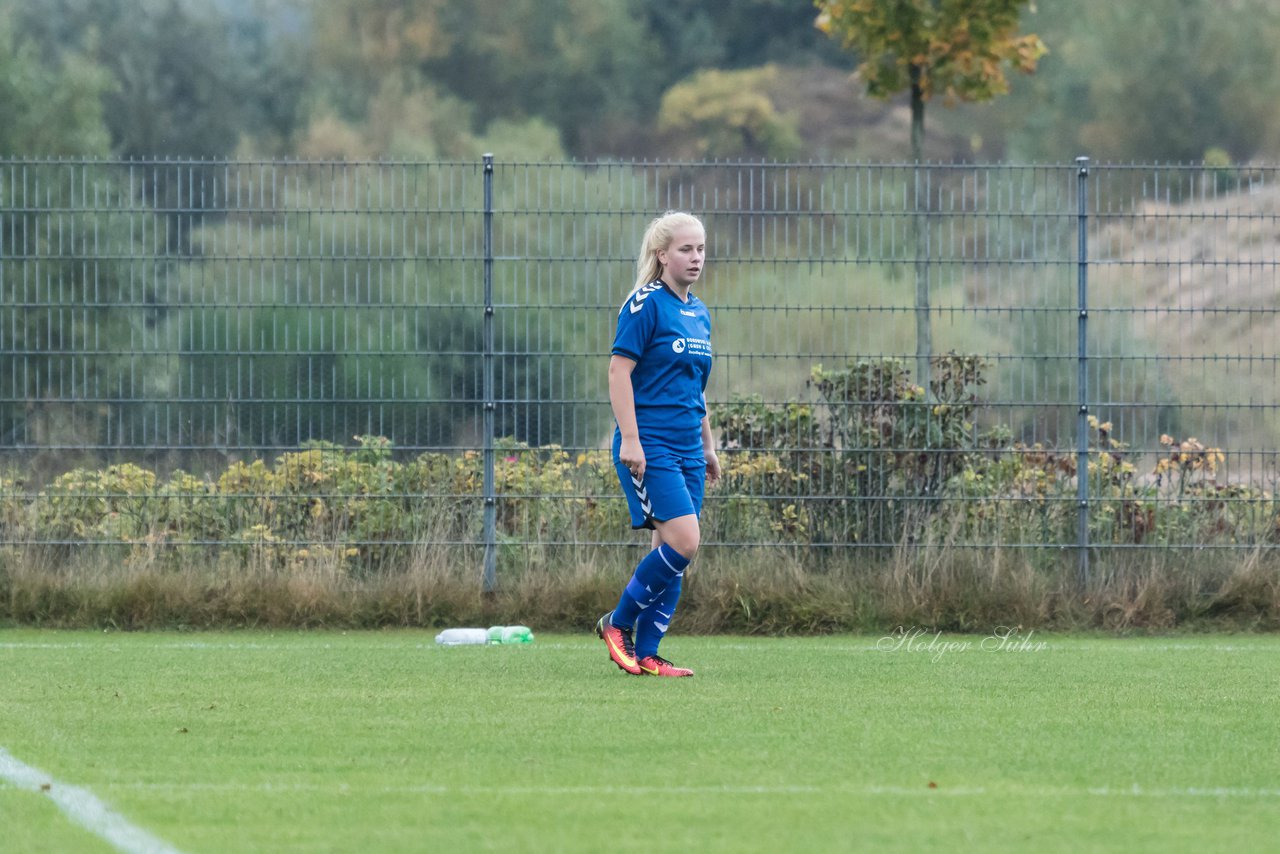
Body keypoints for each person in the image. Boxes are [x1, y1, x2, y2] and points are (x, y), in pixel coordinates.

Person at [595, 211, 720, 677]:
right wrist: (630, 439)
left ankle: (647, 653)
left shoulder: (699, 312)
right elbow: (618, 372)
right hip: (650, 446)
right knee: (685, 542)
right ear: (662, 254)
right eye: (686, 249)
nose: (696, 257)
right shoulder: (644, 303)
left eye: (701, 249)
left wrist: (708, 447)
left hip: (689, 447)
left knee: (669, 554)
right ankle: (617, 623)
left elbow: (695, 389)